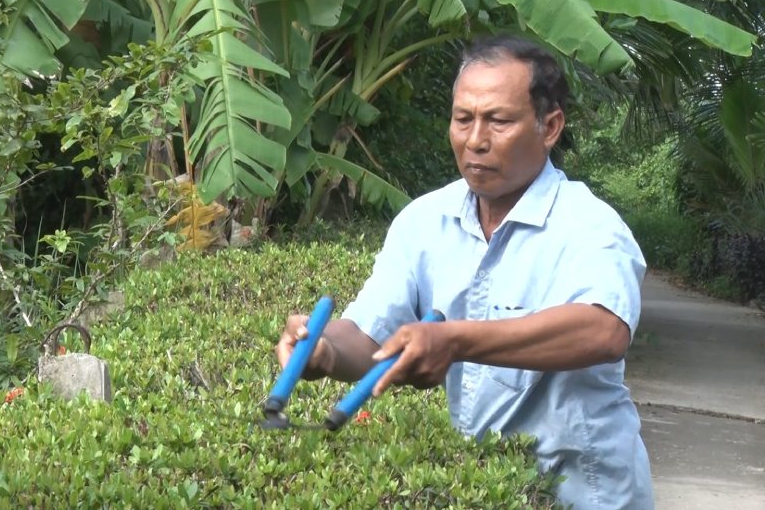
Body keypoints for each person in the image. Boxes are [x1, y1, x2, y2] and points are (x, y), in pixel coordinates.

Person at [275, 35, 654, 509]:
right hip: (487, 488)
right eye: (463, 119)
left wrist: (455, 340)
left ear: (550, 126)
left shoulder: (590, 226)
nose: (476, 140)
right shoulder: (423, 221)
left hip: (586, 493)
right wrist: (324, 350)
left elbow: (603, 330)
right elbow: (371, 337)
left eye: (499, 120)